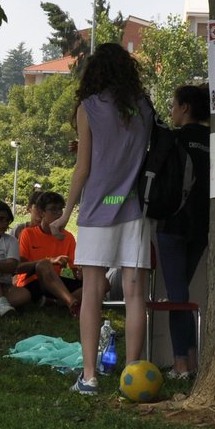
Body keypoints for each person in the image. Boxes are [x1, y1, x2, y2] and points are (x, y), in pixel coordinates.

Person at [53, 43, 155, 394]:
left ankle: (90, 376)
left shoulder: (89, 107)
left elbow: (84, 168)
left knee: (93, 292)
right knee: (134, 294)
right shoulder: (144, 106)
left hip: (98, 207)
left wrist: (66, 212)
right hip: (134, 207)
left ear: (95, 71)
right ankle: (132, 376)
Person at [155, 84, 210, 379]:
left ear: (185, 108)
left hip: (173, 226)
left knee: (177, 297)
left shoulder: (175, 141)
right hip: (202, 228)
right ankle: (190, 361)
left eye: (174, 105)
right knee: (183, 294)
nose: (171, 110)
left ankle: (181, 366)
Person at [15, 190, 82, 316]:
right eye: (53, 209)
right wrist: (50, 261)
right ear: (41, 213)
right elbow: (18, 268)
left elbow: (72, 270)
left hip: (58, 282)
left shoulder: (68, 237)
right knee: (43, 265)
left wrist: (79, 273)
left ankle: (59, 302)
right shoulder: (27, 234)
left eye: (60, 209)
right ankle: (72, 302)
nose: (58, 214)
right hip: (33, 282)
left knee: (101, 282)